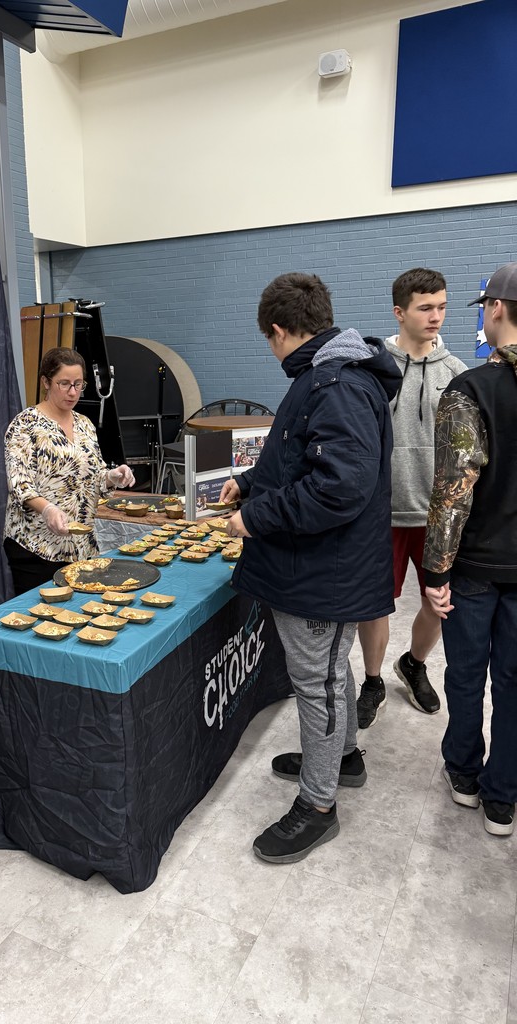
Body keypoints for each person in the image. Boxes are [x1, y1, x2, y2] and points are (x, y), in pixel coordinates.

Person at [219, 272, 401, 863]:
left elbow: (337, 488)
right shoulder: (325, 376)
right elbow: (300, 458)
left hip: (319, 569)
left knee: (317, 683)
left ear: (278, 330)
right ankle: (342, 756)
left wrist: (257, 517)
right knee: (331, 671)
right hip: (321, 566)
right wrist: (249, 483)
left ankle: (318, 805)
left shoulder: (335, 383)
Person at [424, 261, 517, 837]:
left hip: (477, 563)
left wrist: (435, 571)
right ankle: (503, 797)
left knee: (465, 672)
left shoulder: (470, 389)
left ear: (496, 309)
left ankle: (464, 771)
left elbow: (454, 489)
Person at [356, 269, 468, 728]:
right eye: (426, 308)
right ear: (400, 312)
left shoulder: (458, 373)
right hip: (381, 511)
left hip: (437, 516)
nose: (436, 316)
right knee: (374, 604)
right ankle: (372, 679)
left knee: (438, 601)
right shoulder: (372, 365)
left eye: (441, 306)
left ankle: (415, 664)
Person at [3, 347, 135, 595]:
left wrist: (111, 476)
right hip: (36, 547)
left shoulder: (84, 424)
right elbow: (19, 482)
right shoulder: (25, 425)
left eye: (78, 384)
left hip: (81, 546)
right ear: (45, 381)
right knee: (45, 621)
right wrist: (48, 509)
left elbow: (93, 475)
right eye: (64, 384)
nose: (73, 392)